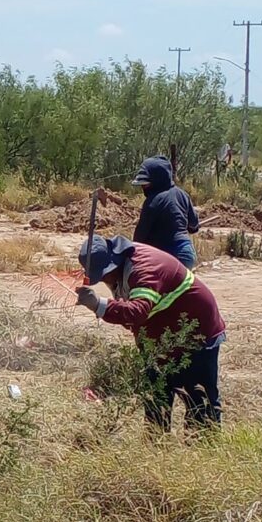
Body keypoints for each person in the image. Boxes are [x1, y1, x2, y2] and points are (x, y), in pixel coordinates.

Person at [77, 235, 226, 431]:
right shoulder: (123, 267)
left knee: (200, 405)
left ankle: (204, 451)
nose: (104, 280)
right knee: (156, 402)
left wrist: (99, 305)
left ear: (115, 262)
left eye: (104, 274)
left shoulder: (144, 270)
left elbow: (137, 312)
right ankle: (157, 449)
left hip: (196, 334)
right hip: (161, 339)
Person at [131, 155, 201, 269]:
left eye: (145, 184)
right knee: (182, 286)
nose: (143, 188)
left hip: (167, 257)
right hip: (187, 253)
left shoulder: (152, 201)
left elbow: (140, 237)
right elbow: (194, 226)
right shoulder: (183, 194)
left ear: (157, 181)